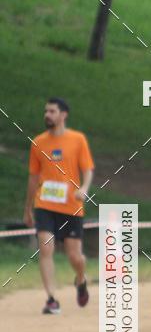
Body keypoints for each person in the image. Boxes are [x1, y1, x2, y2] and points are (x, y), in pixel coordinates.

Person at [23, 98, 95, 315]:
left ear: (63, 115)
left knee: (75, 257)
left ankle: (81, 280)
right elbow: (33, 178)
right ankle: (51, 299)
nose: (47, 114)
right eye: (46, 111)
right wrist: (28, 207)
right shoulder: (38, 143)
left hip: (71, 206)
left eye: (52, 111)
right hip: (44, 204)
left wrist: (85, 187)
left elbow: (88, 169)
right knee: (45, 247)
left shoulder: (77, 139)